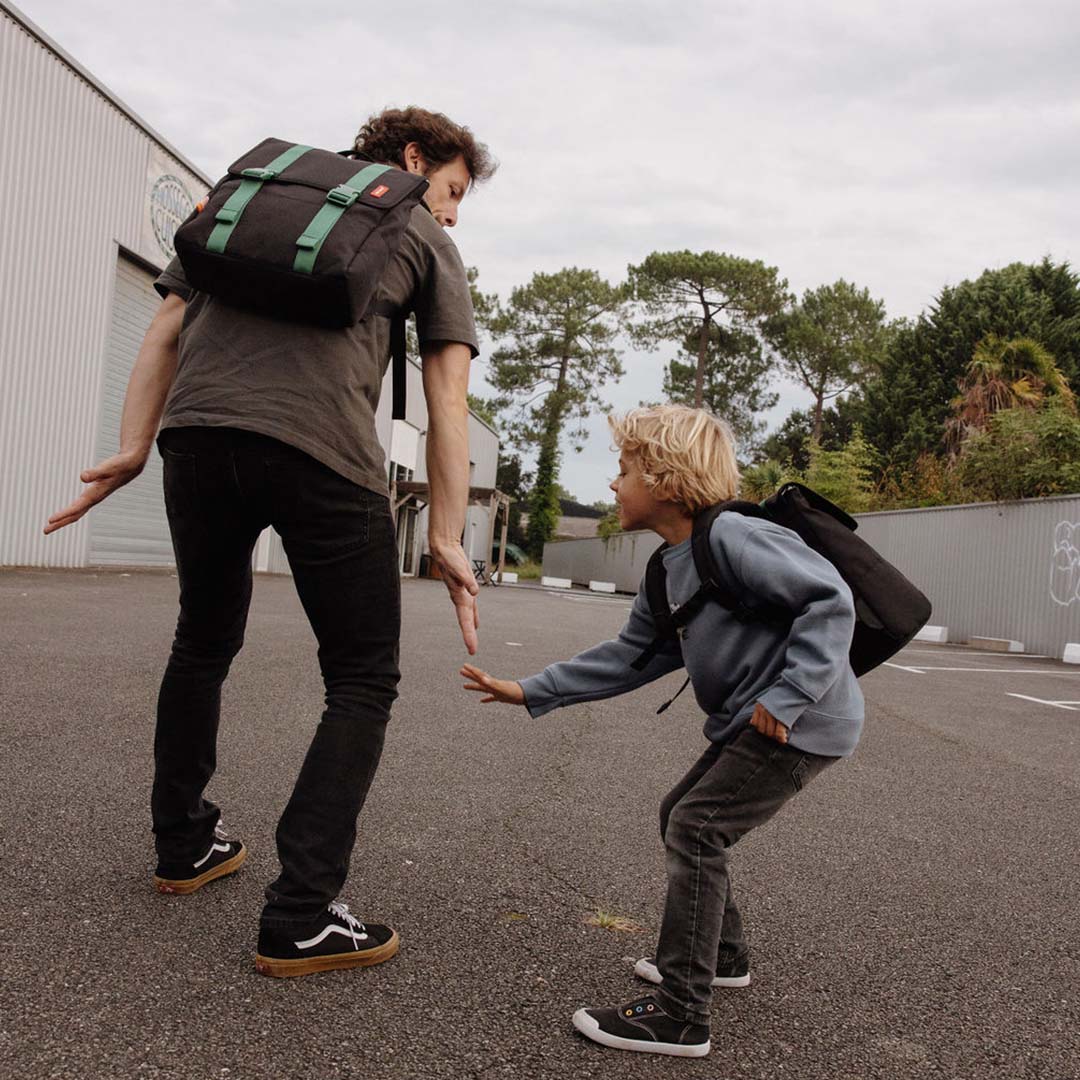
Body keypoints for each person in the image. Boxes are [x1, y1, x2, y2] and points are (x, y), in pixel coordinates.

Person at [45, 106, 496, 978]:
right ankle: (300, 916)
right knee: (361, 678)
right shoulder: (418, 231)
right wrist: (445, 536)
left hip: (196, 439)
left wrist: (135, 447)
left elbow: (166, 328)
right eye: (451, 190)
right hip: (321, 453)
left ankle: (183, 846)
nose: (450, 212)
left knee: (202, 640)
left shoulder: (252, 199)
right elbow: (449, 402)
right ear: (413, 159)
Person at [461, 405, 864, 1057]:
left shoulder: (733, 535)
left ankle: (680, 1012)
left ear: (667, 479)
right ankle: (722, 955)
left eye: (624, 471)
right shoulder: (667, 566)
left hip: (801, 720)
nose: (613, 484)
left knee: (697, 828)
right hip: (759, 719)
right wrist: (533, 689)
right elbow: (631, 655)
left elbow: (829, 599)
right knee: (683, 813)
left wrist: (790, 695)